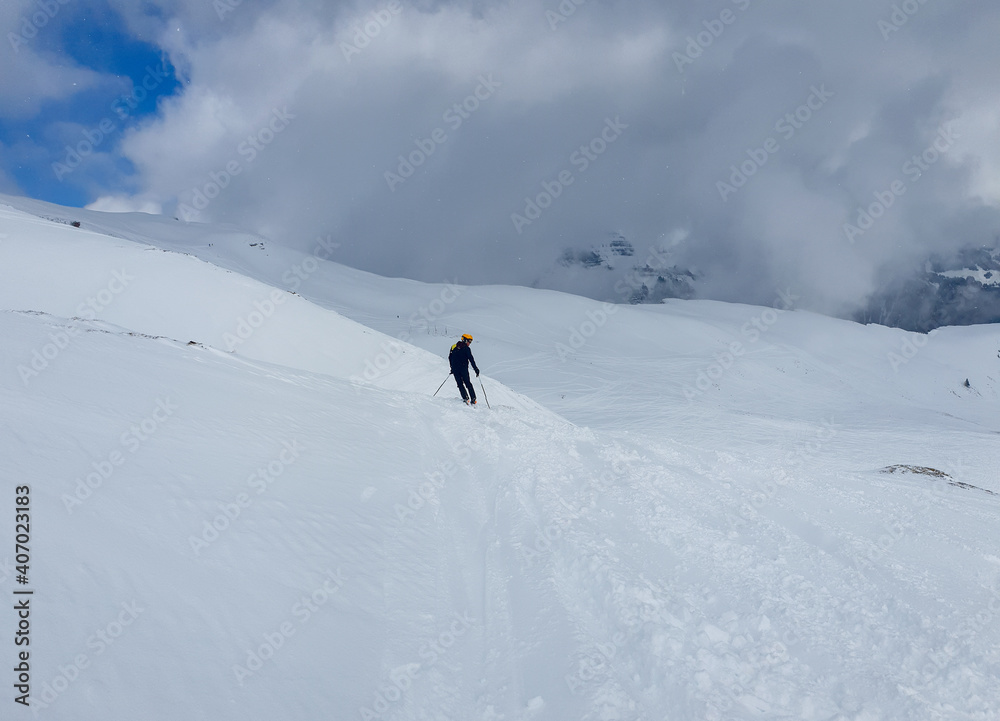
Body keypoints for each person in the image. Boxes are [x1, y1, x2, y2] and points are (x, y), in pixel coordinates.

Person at [449, 333, 480, 405]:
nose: (470, 343)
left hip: (456, 369)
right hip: (463, 369)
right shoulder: (467, 349)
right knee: (468, 383)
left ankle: (465, 398)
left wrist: (452, 368)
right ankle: (473, 398)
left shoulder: (453, 347)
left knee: (460, 384)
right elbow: (471, 359)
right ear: (465, 340)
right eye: (469, 341)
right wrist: (476, 369)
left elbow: (450, 358)